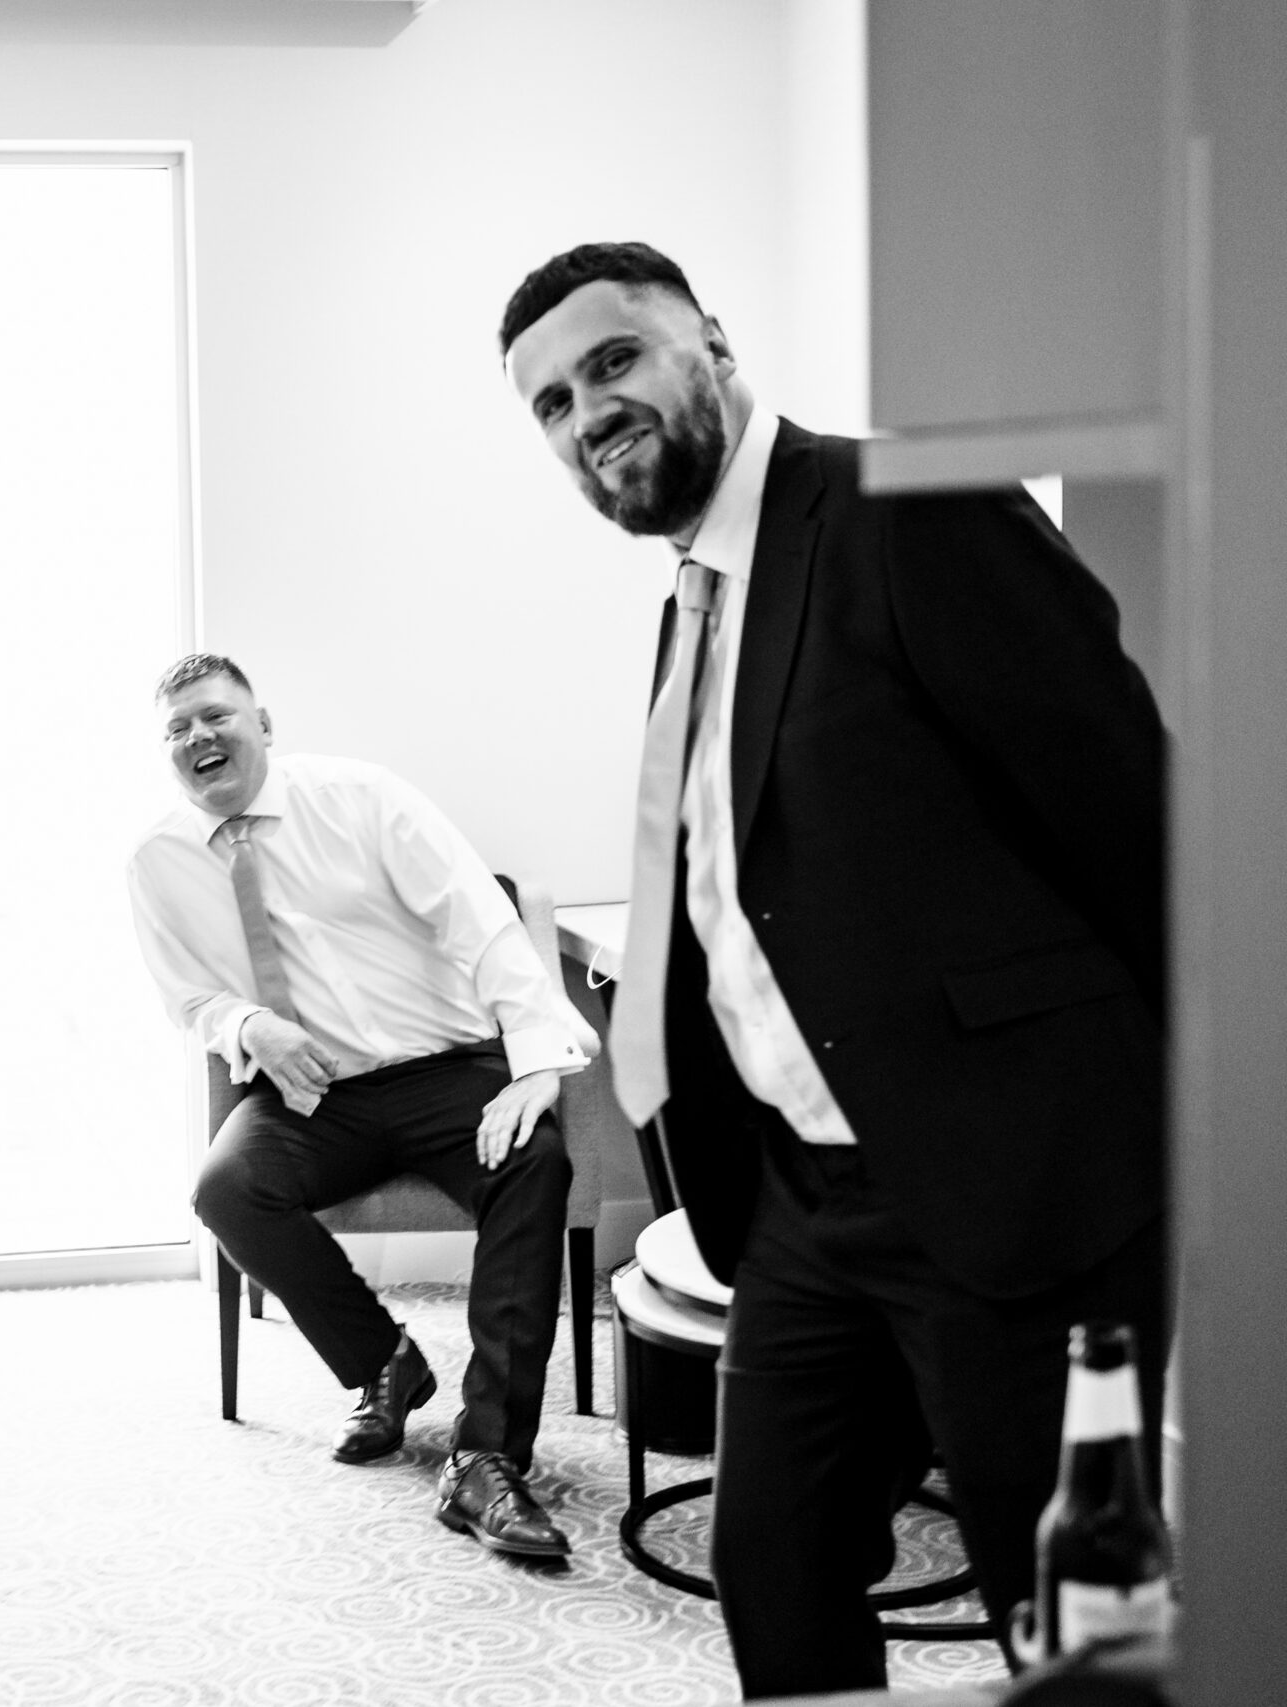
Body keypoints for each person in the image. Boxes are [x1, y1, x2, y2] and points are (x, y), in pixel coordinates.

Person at [500, 243, 1167, 1695]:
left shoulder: (897, 508)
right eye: (551, 402)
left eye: (614, 361)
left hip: (1012, 1183)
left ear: (714, 345)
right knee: (776, 1569)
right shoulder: (691, 603)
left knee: (1064, 1617)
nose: (586, 412)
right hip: (802, 1201)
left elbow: (1135, 817)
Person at [126, 654, 594, 1559]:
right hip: (311, 1094)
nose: (199, 738)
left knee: (535, 1163)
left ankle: (486, 1458)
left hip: (442, 1070)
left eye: (216, 716)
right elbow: (188, 997)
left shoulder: (362, 796)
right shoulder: (156, 861)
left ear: (265, 723)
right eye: (178, 729)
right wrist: (248, 1022)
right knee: (227, 1189)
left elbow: (479, 917)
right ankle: (383, 1362)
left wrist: (536, 1063)